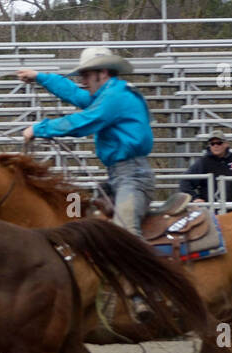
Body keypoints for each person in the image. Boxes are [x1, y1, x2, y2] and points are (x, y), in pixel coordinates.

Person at [19, 46, 156, 321]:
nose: (82, 79)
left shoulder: (115, 97)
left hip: (133, 176)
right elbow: (76, 95)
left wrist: (39, 129)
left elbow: (86, 120)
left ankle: (144, 292)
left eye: (86, 74)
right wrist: (40, 77)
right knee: (89, 226)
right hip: (118, 176)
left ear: (102, 73)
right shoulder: (108, 94)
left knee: (125, 230)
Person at [179, 131, 232, 207]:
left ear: (226, 144)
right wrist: (194, 198)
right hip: (210, 209)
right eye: (212, 144)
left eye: (219, 143)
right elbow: (185, 181)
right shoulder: (203, 162)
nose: (216, 146)